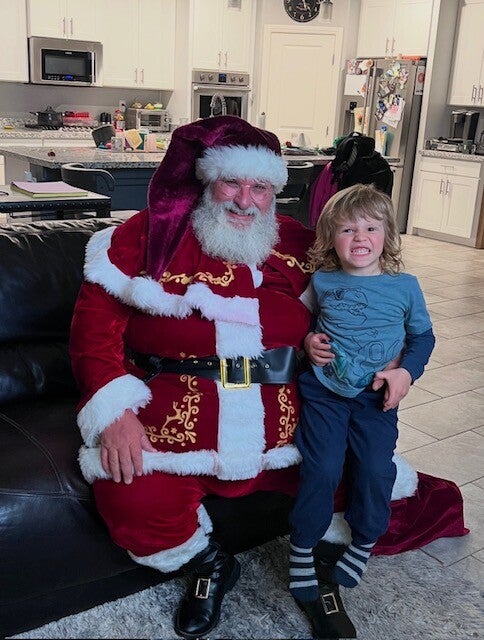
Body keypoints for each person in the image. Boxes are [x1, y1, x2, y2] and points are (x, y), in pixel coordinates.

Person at [70, 117, 466, 640]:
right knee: (131, 497)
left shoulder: (301, 245)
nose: (245, 200)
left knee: (368, 480)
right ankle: (208, 563)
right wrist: (114, 413)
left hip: (293, 422)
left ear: (274, 191)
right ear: (206, 180)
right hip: (178, 422)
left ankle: (321, 569)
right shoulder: (145, 237)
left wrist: (395, 364)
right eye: (232, 182)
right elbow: (93, 333)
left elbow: (372, 303)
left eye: (260, 187)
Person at [289, 185, 435, 624]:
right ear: (330, 237)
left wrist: (405, 373)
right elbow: (302, 324)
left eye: (370, 228)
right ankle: (302, 547)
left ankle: (365, 540)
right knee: (322, 467)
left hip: (377, 400)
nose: (359, 238)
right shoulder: (322, 281)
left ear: (386, 234)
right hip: (325, 393)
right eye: (347, 229)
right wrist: (307, 342)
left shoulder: (405, 287)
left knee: (374, 468)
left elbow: (423, 337)